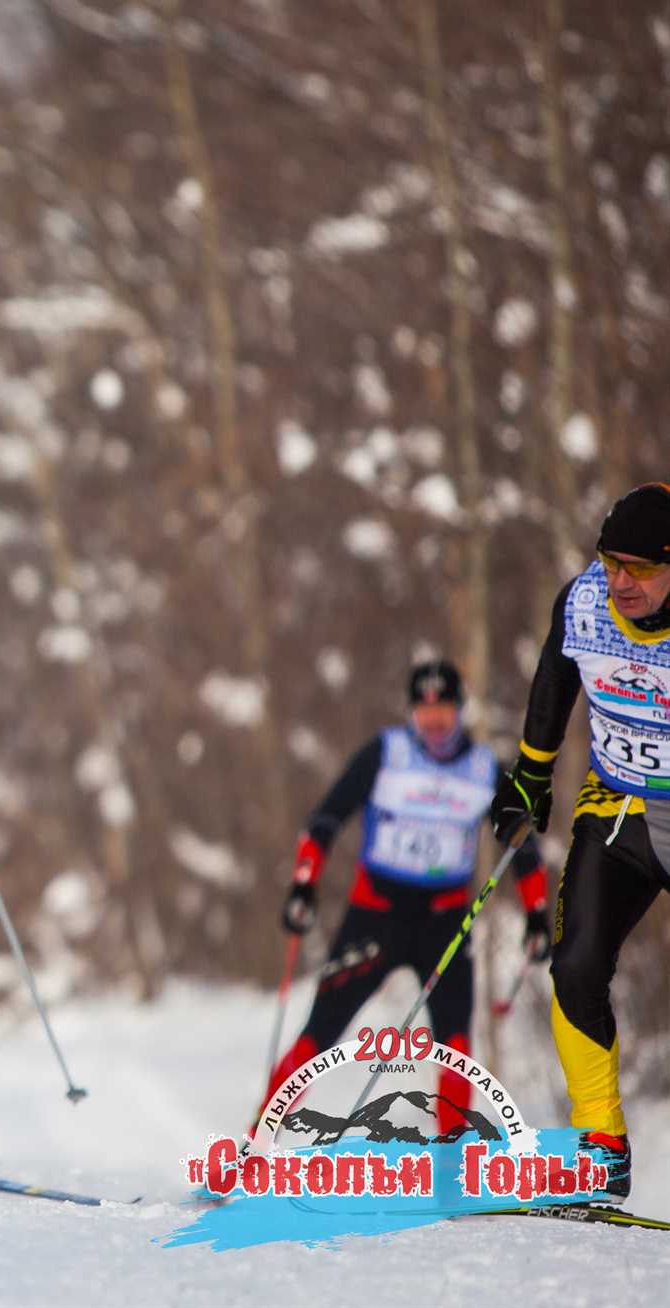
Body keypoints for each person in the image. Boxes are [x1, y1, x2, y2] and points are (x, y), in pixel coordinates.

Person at [261, 658, 551, 1139]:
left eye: (444, 712)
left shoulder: (484, 769)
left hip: (444, 922)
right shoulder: (385, 753)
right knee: (319, 1033)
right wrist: (304, 884)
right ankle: (257, 1142)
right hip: (374, 916)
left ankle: (454, 1160)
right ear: (411, 713)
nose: (434, 723)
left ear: (461, 711)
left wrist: (538, 915)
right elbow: (325, 819)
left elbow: (522, 847)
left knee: (455, 1041)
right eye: (424, 712)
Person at [490, 482, 670, 1201]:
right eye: (608, 561)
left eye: (637, 567)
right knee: (575, 966)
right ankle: (599, 1149)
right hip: (617, 805)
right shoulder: (585, 600)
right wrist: (529, 775)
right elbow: (553, 681)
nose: (618, 580)